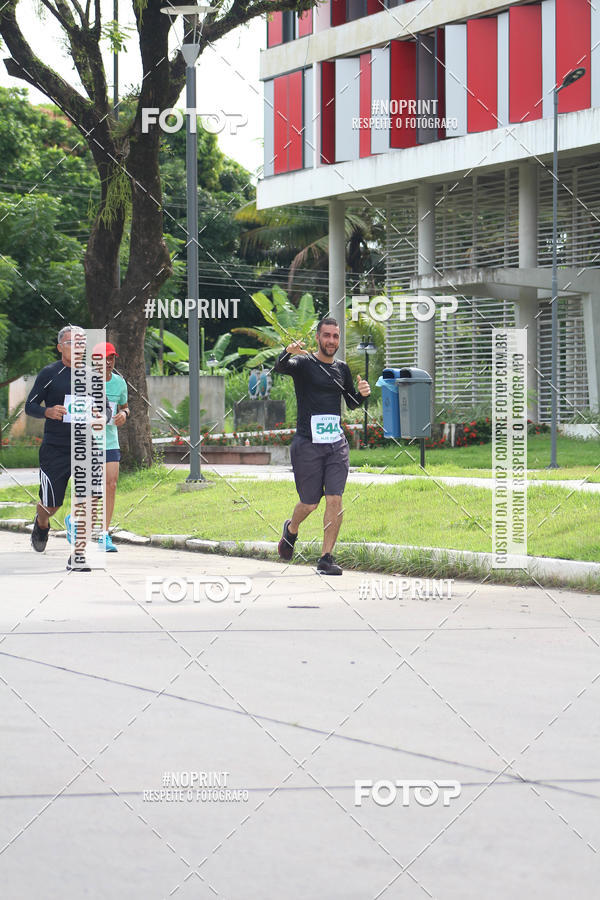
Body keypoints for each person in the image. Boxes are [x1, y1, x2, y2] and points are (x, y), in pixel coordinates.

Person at [274, 316, 370, 575]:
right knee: (309, 503)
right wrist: (286, 352)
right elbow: (280, 368)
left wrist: (361, 393)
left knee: (335, 499)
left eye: (335, 336)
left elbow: (350, 402)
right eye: (326, 335)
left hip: (335, 444)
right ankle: (291, 530)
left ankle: (326, 558)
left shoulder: (341, 368)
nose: (331, 341)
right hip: (307, 443)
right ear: (318, 337)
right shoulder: (304, 363)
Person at [25, 325, 110, 571]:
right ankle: (41, 523)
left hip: (87, 448)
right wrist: (47, 411)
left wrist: (100, 417)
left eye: (82, 343)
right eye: (72, 342)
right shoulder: (49, 373)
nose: (78, 347)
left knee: (90, 499)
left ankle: (80, 553)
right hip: (56, 448)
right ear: (60, 346)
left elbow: (105, 409)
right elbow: (30, 405)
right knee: (52, 506)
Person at [90, 341, 129, 551]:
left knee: (110, 485)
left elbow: (125, 406)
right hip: (86, 443)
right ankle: (76, 519)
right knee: (93, 490)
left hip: (110, 441)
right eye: (103, 358)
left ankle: (104, 535)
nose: (107, 362)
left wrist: (124, 414)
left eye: (111, 358)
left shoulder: (119, 383)